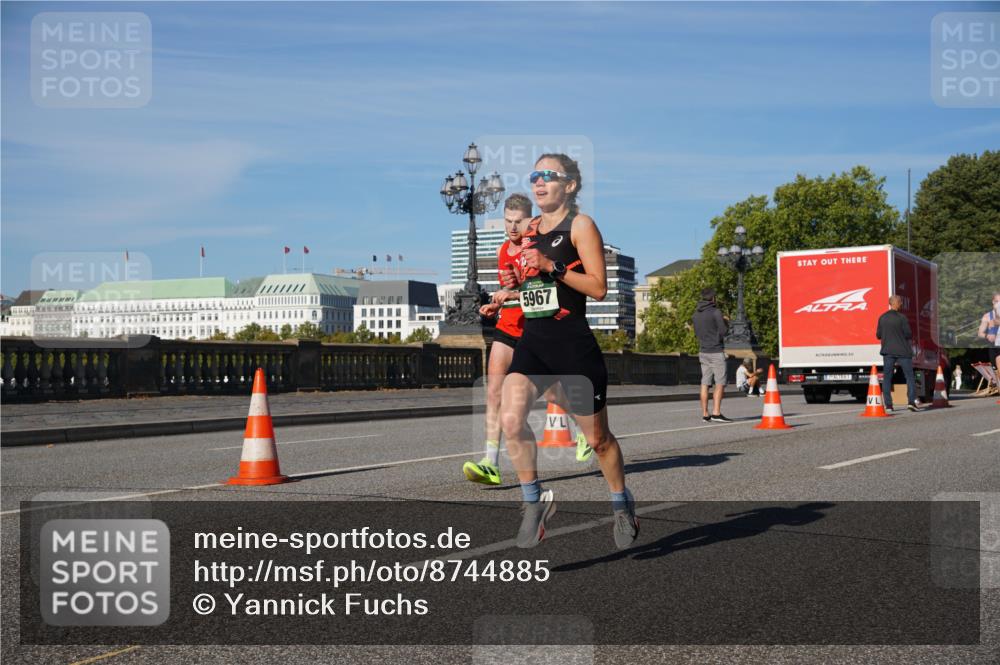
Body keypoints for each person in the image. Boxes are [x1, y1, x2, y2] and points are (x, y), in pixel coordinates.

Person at [497, 153, 638, 550]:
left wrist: (551, 266)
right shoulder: (529, 230)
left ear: (570, 185)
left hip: (573, 345)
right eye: (534, 176)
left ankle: (620, 503)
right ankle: (533, 502)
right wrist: (507, 296)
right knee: (510, 417)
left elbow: (597, 287)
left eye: (549, 176)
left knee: (599, 441)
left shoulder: (581, 225)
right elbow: (536, 292)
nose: (539, 183)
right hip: (534, 345)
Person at [462, 194, 591, 486]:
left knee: (554, 395)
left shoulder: (538, 247)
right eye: (507, 221)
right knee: (494, 390)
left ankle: (584, 428)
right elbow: (511, 287)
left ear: (530, 219)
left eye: (518, 221)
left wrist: (513, 294)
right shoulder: (504, 250)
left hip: (536, 330)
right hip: (509, 326)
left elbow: (545, 292)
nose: (512, 227)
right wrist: (498, 302)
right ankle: (490, 463)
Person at [692, 287, 732, 422]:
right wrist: (726, 321)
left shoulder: (696, 314)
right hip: (716, 351)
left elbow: (697, 332)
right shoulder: (716, 312)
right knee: (720, 382)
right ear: (713, 298)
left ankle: (705, 414)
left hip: (703, 351)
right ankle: (716, 413)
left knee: (705, 383)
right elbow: (723, 331)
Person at [876, 294, 919, 412]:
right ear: (897, 303)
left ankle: (889, 405)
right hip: (903, 351)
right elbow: (908, 334)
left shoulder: (882, 317)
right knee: (909, 377)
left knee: (887, 378)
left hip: (888, 351)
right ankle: (911, 402)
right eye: (900, 302)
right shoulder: (902, 318)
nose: (901, 304)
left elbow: (878, 335)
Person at [977, 291, 1000, 377]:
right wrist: (987, 336)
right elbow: (980, 333)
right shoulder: (987, 316)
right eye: (997, 301)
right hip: (993, 347)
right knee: (996, 373)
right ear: (993, 302)